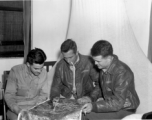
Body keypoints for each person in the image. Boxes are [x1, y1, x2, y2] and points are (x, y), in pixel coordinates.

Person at [82, 40, 140, 120]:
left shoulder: (122, 71)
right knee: (81, 112)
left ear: (109, 58)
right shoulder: (104, 67)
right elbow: (100, 87)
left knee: (85, 116)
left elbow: (118, 102)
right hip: (113, 104)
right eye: (94, 60)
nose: (95, 63)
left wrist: (93, 106)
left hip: (125, 108)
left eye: (98, 61)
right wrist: (90, 98)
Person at [4, 48, 48, 120]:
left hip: (35, 108)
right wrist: (19, 111)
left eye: (41, 67)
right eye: (36, 68)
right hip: (17, 108)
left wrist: (36, 109)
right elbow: (9, 96)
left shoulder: (44, 73)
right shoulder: (15, 71)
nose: (40, 71)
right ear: (28, 64)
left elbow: (44, 95)